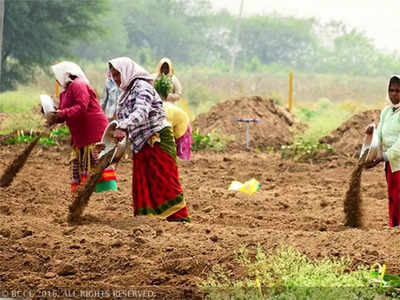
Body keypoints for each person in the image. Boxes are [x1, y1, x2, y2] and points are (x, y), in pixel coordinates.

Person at [108, 57, 190, 222]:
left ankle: (178, 219)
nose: (116, 79)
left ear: (126, 72)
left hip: (157, 138)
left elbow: (141, 112)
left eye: (118, 74)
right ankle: (147, 220)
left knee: (164, 180)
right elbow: (124, 120)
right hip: (140, 143)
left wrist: (123, 126)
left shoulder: (142, 87)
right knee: (142, 183)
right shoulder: (125, 94)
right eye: (113, 75)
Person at [46, 61, 117, 194]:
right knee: (85, 169)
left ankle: (107, 195)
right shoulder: (65, 92)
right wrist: (53, 115)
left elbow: (81, 108)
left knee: (97, 165)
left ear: (65, 74)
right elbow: (66, 113)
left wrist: (60, 113)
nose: (56, 79)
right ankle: (88, 194)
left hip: (92, 131)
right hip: (81, 135)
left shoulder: (79, 85)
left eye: (57, 76)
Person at [367, 75, 400, 227]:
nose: (394, 94)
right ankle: (394, 225)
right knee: (392, 195)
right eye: (391, 90)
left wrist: (384, 156)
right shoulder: (386, 111)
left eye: (398, 91)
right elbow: (380, 134)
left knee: (399, 195)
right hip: (390, 162)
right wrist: (371, 132)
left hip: (396, 159)